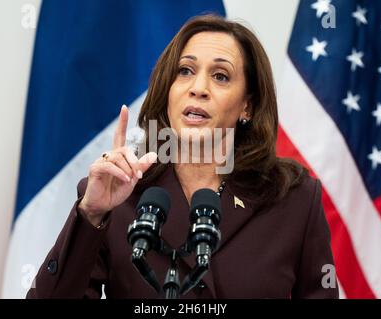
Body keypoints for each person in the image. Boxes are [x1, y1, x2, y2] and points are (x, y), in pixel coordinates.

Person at [27, 14, 338, 299]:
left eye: (221, 76)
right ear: (168, 90)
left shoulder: (294, 199)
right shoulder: (118, 192)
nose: (198, 88)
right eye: (185, 71)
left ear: (248, 106)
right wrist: (90, 214)